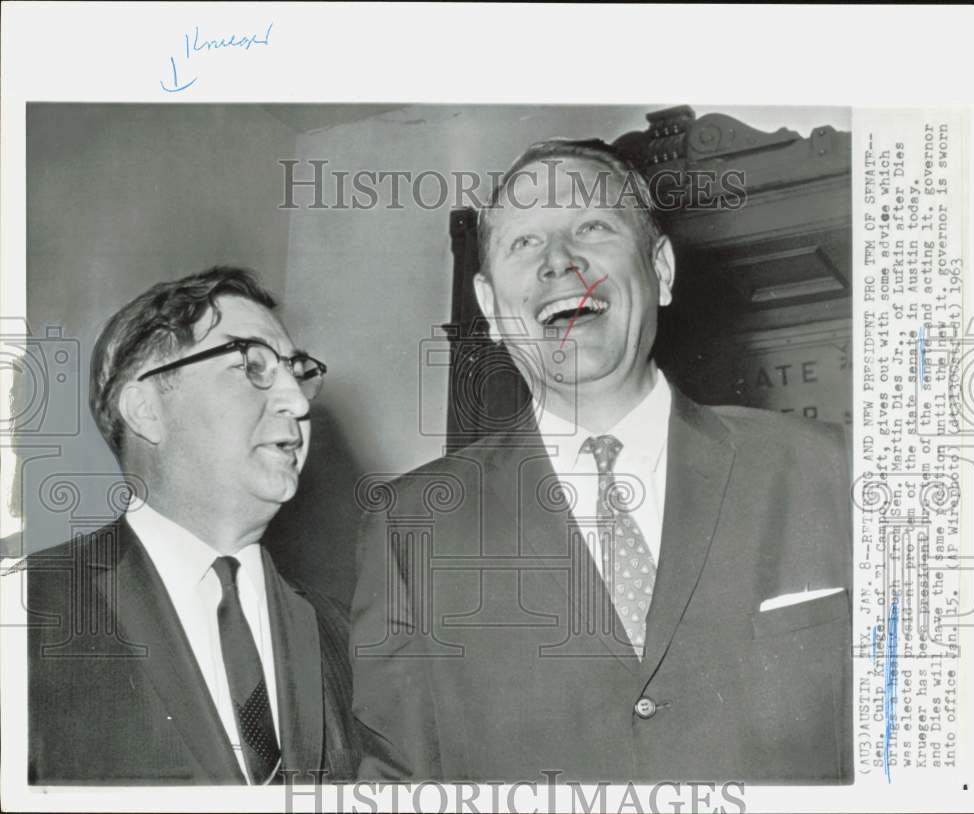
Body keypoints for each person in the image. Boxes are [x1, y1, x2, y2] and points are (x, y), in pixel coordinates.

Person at [351, 140, 852, 783]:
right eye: (524, 243)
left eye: (591, 225)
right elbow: (396, 783)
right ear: (490, 307)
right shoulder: (408, 527)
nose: (560, 261)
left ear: (662, 270)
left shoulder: (834, 470)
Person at [23, 266, 358, 784]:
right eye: (251, 364)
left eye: (297, 371)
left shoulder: (346, 635)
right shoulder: (26, 612)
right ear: (145, 409)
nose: (296, 400)